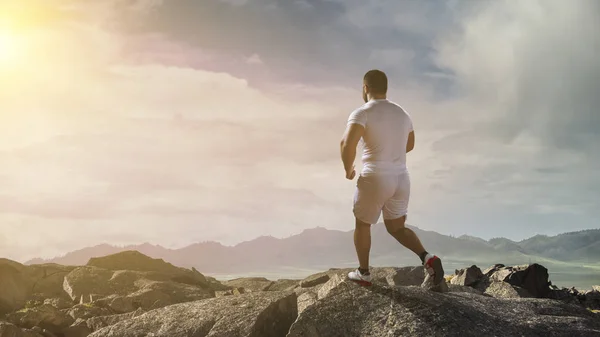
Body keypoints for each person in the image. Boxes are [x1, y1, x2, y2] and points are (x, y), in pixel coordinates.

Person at [340, 69, 446, 291]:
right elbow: (410, 144)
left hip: (375, 176)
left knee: (362, 223)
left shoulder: (362, 112)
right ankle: (427, 258)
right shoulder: (402, 114)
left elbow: (346, 144)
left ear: (365, 88)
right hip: (401, 178)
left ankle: (364, 272)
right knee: (396, 227)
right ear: (386, 88)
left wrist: (349, 169)